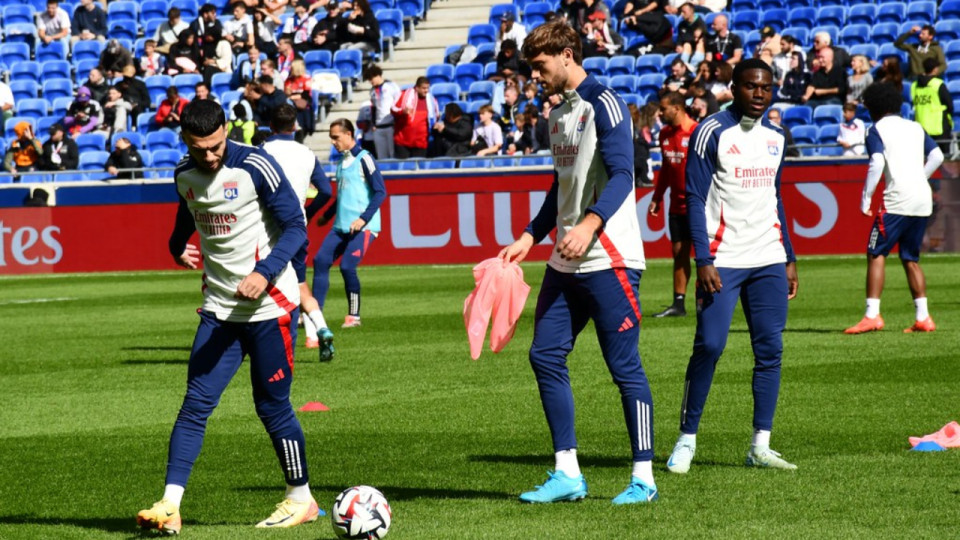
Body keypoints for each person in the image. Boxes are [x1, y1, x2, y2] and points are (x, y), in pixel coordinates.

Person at [137, 99, 315, 535]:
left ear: (226, 133)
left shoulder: (257, 165)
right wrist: (176, 247)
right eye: (201, 150)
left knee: (271, 407)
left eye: (217, 146)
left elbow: (296, 227)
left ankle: (301, 498)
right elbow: (186, 218)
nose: (211, 156)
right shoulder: (184, 175)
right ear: (186, 142)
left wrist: (263, 272)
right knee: (195, 405)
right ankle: (170, 505)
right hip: (219, 311)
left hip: (271, 306)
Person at [499, 18, 657, 506]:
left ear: (567, 54)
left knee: (623, 366)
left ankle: (644, 477)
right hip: (564, 260)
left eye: (541, 66)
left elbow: (623, 176)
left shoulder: (604, 103)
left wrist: (590, 224)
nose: (536, 77)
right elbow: (561, 186)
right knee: (544, 355)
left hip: (608, 258)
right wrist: (530, 234)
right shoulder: (557, 115)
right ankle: (567, 473)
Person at [665, 58, 799, 475]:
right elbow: (692, 198)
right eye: (749, 86)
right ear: (734, 88)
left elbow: (775, 199)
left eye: (765, 87)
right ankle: (686, 438)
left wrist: (789, 256)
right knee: (710, 345)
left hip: (769, 258)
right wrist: (702, 258)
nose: (758, 94)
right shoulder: (711, 131)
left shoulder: (776, 136)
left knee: (770, 350)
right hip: (722, 260)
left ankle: (760, 444)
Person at [843, 82, 943, 335]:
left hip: (896, 200)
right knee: (910, 258)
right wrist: (920, 177)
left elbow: (877, 161)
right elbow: (938, 156)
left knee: (876, 253)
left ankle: (872, 315)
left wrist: (866, 198)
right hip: (922, 199)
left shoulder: (875, 129)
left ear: (874, 106)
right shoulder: (916, 127)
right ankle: (924, 317)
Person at [261, 104, 335, 358]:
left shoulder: (263, 152)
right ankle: (318, 331)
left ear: (270, 125)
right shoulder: (306, 153)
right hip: (297, 227)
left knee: (266, 282)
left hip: (269, 229)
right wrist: (308, 214)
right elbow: (325, 190)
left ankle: (279, 341)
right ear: (295, 126)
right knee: (300, 283)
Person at [312, 118, 387, 329]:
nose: (333, 142)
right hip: (341, 226)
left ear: (348, 135)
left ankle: (354, 316)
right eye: (331, 138)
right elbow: (343, 196)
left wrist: (363, 219)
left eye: (336, 137)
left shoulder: (365, 158)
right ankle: (315, 314)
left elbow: (381, 191)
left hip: (364, 228)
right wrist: (327, 216)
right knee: (320, 261)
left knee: (347, 267)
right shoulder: (341, 161)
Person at [649, 91, 697, 317]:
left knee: (706, 253)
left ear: (677, 108)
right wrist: (658, 197)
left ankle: (705, 297)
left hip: (699, 204)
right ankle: (679, 303)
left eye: (663, 108)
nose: (660, 112)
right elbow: (667, 168)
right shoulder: (665, 134)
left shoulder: (697, 131)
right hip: (676, 205)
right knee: (679, 251)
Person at [912, 57, 954, 154]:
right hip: (939, 127)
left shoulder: (914, 85)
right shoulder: (937, 84)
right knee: (944, 159)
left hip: (922, 127)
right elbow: (949, 104)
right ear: (935, 69)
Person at [391, 77, 439, 159]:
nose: (426, 90)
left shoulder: (431, 100)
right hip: (402, 141)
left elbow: (436, 116)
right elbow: (393, 109)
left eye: (427, 88)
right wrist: (402, 111)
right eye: (424, 88)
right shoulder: (404, 96)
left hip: (421, 142)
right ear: (417, 88)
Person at [363, 64, 401, 160]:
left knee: (393, 155)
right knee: (381, 157)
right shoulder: (372, 91)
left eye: (372, 78)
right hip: (378, 128)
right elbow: (374, 108)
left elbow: (399, 103)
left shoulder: (391, 86)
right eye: (369, 80)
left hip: (391, 125)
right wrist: (374, 124)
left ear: (378, 75)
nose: (371, 81)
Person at [676, 2, 706, 69]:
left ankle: (693, 67)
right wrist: (679, 45)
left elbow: (703, 38)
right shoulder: (681, 25)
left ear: (691, 11)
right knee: (687, 45)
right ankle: (683, 66)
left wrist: (688, 39)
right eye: (681, 12)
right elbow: (680, 38)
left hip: (698, 49)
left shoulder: (700, 24)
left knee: (699, 44)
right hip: (687, 48)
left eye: (684, 12)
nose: (682, 14)